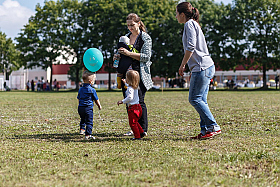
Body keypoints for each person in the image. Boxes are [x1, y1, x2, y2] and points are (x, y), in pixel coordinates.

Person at [176, 2, 221, 140]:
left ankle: (213, 126)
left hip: (202, 67)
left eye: (177, 13)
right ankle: (205, 131)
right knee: (201, 99)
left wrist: (183, 65)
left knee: (194, 99)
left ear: (182, 14)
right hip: (206, 66)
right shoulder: (194, 23)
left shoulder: (189, 24)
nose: (176, 16)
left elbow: (191, 46)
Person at [113, 13, 153, 136]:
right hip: (127, 75)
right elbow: (122, 54)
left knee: (139, 101)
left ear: (139, 23)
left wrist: (128, 53)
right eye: (128, 25)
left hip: (140, 74)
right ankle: (134, 127)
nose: (130, 28)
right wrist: (118, 56)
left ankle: (143, 129)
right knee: (129, 102)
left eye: (132, 25)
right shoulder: (125, 37)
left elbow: (146, 57)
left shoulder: (145, 38)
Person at [117, 70, 145, 140]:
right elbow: (130, 86)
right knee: (136, 122)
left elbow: (130, 97)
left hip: (133, 108)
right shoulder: (136, 86)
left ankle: (137, 136)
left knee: (132, 123)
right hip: (138, 107)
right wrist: (125, 83)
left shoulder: (130, 89)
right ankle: (142, 132)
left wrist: (122, 101)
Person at [77, 70, 102, 140]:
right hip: (88, 108)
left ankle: (82, 129)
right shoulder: (92, 90)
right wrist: (99, 106)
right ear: (90, 81)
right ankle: (88, 135)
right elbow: (96, 99)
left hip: (80, 108)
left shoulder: (80, 89)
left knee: (83, 118)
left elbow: (78, 98)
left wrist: (81, 104)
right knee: (89, 122)